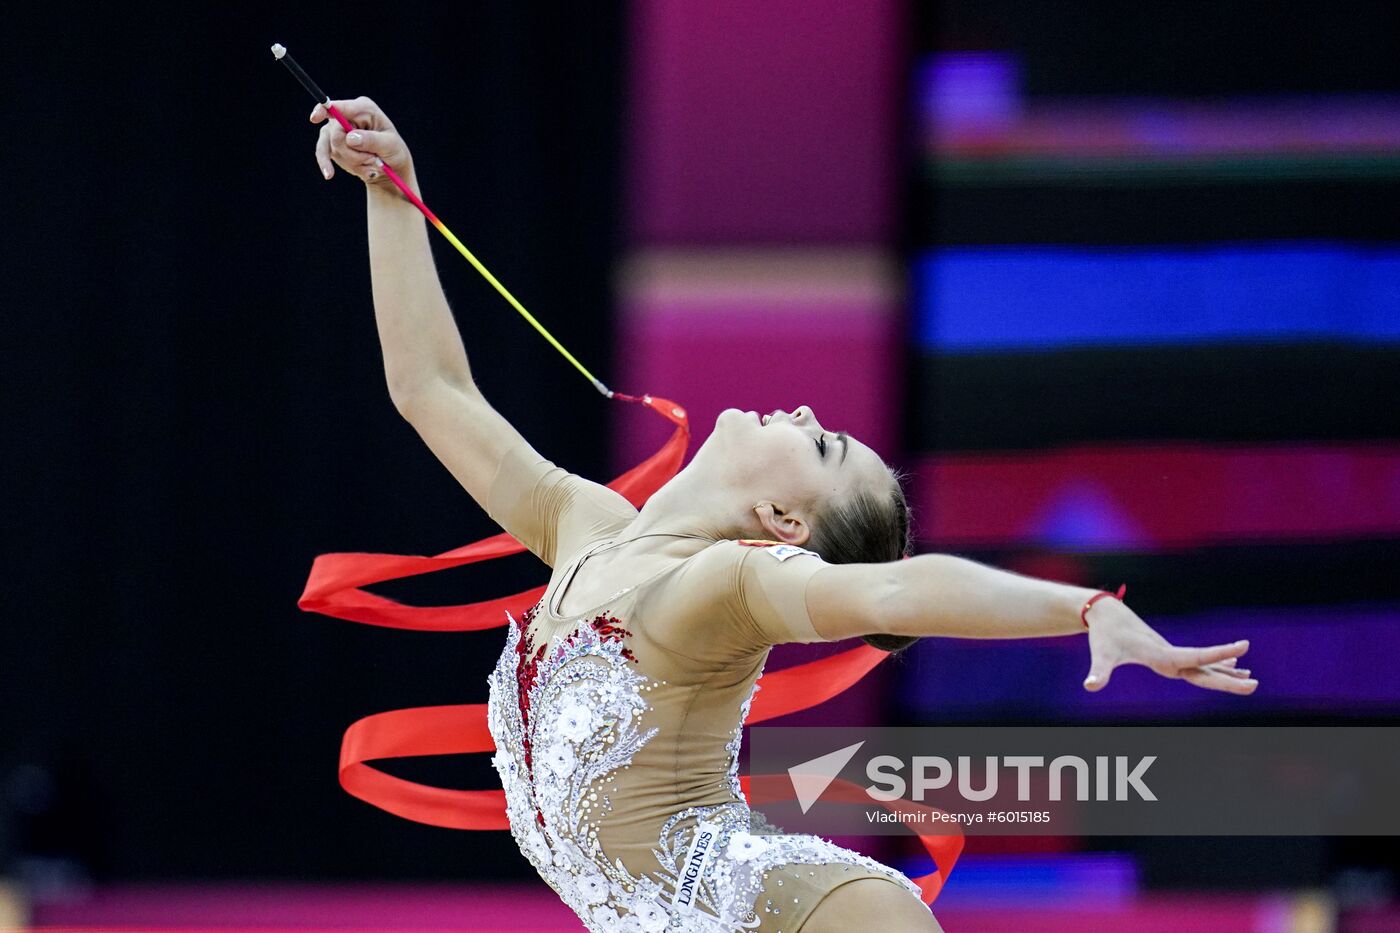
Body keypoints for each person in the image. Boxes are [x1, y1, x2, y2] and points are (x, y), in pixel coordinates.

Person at [309, 97, 1258, 933]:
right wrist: (393, 185)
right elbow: (432, 389)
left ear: (781, 521)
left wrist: (1083, 608)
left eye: (824, 446)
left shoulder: (724, 585)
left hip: (809, 915)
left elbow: (899, 589)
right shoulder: (583, 525)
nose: (805, 413)